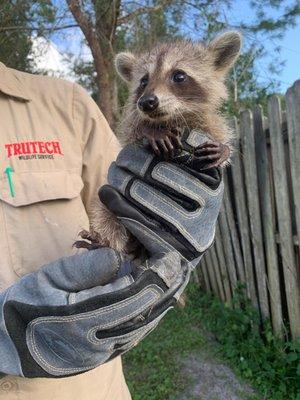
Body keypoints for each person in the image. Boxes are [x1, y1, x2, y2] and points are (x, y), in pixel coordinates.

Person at [0, 61, 223, 399]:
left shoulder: (66, 106)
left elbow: (121, 198)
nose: (152, 92)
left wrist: (166, 272)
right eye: (146, 81)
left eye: (177, 77)